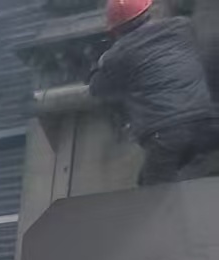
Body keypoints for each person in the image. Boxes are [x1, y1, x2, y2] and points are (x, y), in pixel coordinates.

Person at [89, 0, 219, 185]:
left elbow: (97, 89)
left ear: (115, 30)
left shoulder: (118, 55)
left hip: (166, 135)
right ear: (148, 11)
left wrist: (99, 63)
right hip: (208, 122)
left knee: (153, 193)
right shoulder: (182, 27)